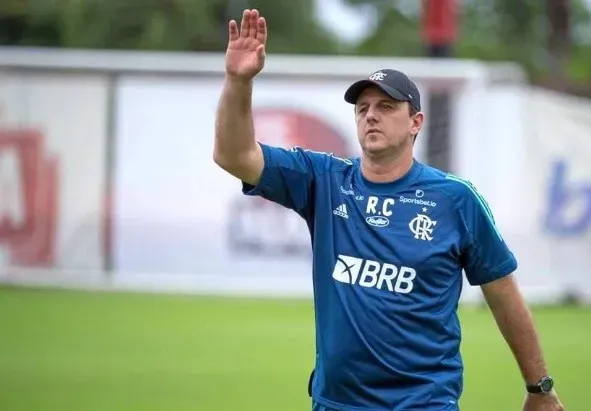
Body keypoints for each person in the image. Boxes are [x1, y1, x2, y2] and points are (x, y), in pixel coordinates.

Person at [214, 9, 565, 411]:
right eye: (362, 108)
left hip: (423, 403)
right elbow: (233, 154)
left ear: (416, 122)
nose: (371, 115)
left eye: (386, 106)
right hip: (337, 404)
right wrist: (238, 81)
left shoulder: (455, 198)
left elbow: (502, 293)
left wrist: (540, 388)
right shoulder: (325, 181)